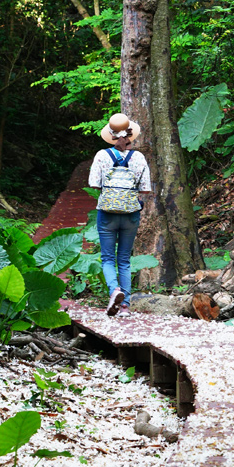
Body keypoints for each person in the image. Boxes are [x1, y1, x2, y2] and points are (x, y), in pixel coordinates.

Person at [88, 113, 151, 317]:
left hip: (107, 213)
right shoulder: (139, 158)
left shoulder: (101, 155)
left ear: (111, 135)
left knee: (107, 258)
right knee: (124, 259)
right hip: (131, 213)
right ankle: (125, 306)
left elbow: (94, 184)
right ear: (131, 135)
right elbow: (145, 189)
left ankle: (114, 290)